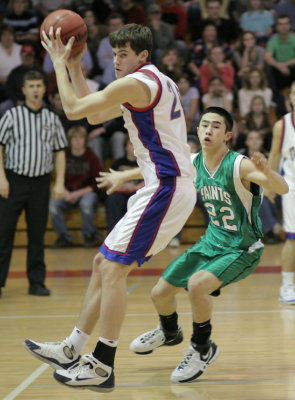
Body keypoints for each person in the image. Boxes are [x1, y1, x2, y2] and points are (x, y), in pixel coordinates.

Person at [23, 24, 196, 392]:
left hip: (166, 189)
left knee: (114, 270)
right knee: (103, 264)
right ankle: (73, 347)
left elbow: (72, 109)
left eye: (123, 54)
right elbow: (95, 115)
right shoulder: (150, 81)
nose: (116, 60)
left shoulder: (138, 83)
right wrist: (74, 65)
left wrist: (57, 62)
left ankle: (102, 364)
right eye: (114, 54)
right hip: (163, 187)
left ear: (142, 56)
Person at [128, 106, 288, 383]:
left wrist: (267, 171)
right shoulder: (193, 161)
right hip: (210, 243)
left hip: (242, 248)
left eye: (215, 126)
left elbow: (282, 188)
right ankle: (169, 332)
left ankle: (202, 348)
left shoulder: (239, 164)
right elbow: (158, 170)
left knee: (197, 285)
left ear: (228, 135)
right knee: (159, 293)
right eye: (204, 125)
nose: (208, 131)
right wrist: (121, 176)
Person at [0, 70, 67, 297]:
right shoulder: (11, 115)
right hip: (14, 180)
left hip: (40, 182)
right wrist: (1, 179)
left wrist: (59, 182)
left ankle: (36, 282)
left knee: (37, 235)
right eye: (31, 86)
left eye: (39, 86)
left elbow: (59, 151)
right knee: (3, 233)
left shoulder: (52, 118)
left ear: (43, 89)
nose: (36, 90)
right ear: (24, 90)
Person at [50, 125, 103, 248]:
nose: (78, 141)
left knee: (86, 204)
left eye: (80, 138)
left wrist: (77, 193)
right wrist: (66, 193)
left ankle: (89, 235)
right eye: (74, 138)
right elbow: (56, 177)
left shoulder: (92, 157)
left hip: (86, 193)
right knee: (52, 205)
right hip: (66, 192)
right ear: (69, 141)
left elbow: (98, 183)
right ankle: (64, 237)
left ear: (85, 140)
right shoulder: (63, 156)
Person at [269, 81, 295, 304]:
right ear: (291, 98)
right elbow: (275, 157)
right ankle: (287, 285)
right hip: (292, 186)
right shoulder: (282, 126)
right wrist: (268, 183)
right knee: (293, 238)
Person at [105, 138, 144, 233]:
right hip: (121, 193)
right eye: (131, 144)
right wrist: (124, 185)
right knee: (112, 200)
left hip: (138, 192)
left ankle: (139, 235)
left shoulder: (145, 162)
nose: (134, 146)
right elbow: (109, 183)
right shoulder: (118, 163)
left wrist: (135, 187)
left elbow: (153, 181)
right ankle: (114, 234)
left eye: (136, 143)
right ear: (126, 147)